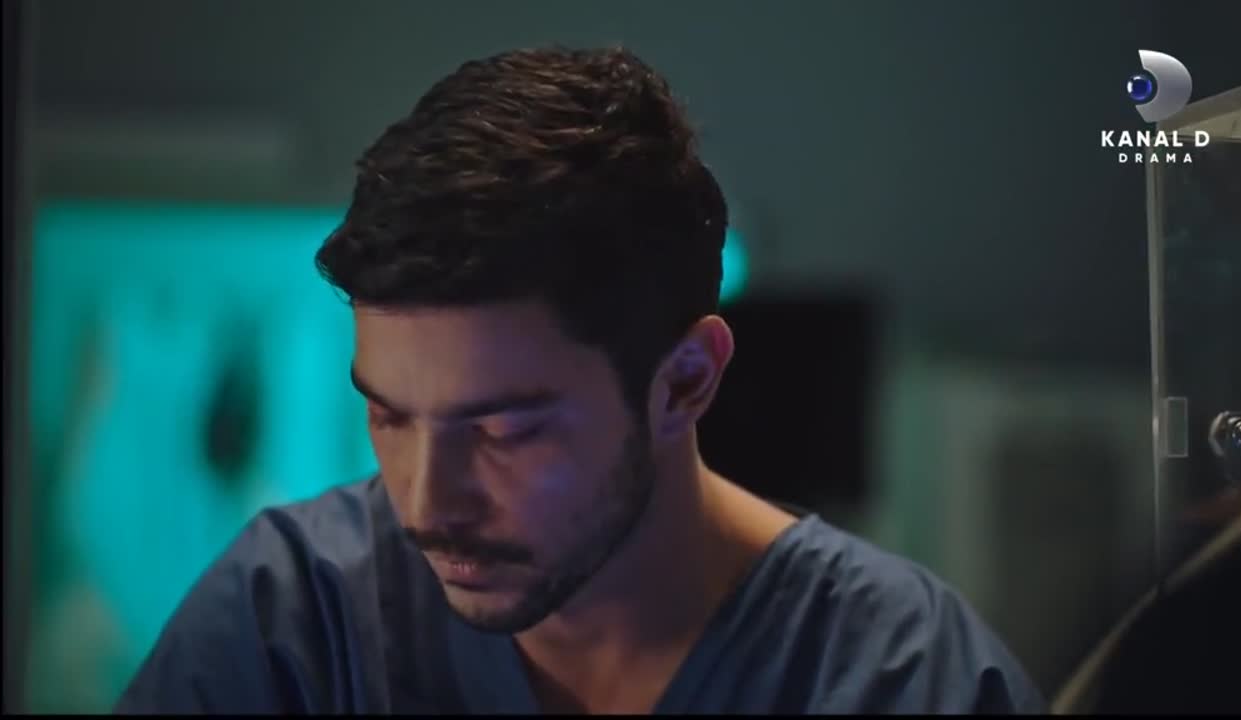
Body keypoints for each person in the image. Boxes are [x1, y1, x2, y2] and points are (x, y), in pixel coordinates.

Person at [114, 45, 1044, 714]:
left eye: (502, 430)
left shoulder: (901, 680)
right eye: (389, 416)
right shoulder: (290, 626)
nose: (427, 503)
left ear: (684, 382)